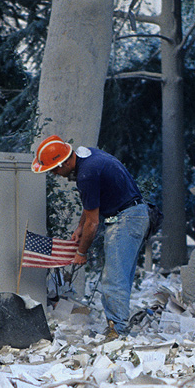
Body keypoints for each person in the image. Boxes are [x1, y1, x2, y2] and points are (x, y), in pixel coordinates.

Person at [32, 135, 149, 338]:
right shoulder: (88, 156)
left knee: (113, 278)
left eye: (56, 169)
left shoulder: (86, 175)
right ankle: (119, 325)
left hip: (126, 218)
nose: (56, 174)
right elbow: (91, 206)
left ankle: (117, 330)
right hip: (134, 214)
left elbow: (93, 223)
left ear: (66, 161)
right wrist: (79, 228)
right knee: (120, 275)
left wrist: (81, 252)